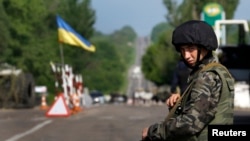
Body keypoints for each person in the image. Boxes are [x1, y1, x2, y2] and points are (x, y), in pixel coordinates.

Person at [141, 20, 235, 141]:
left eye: (191, 49)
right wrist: (181, 104)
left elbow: (190, 124)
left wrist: (152, 132)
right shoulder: (219, 71)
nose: (186, 55)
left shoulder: (207, 77)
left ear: (204, 47)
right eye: (182, 49)